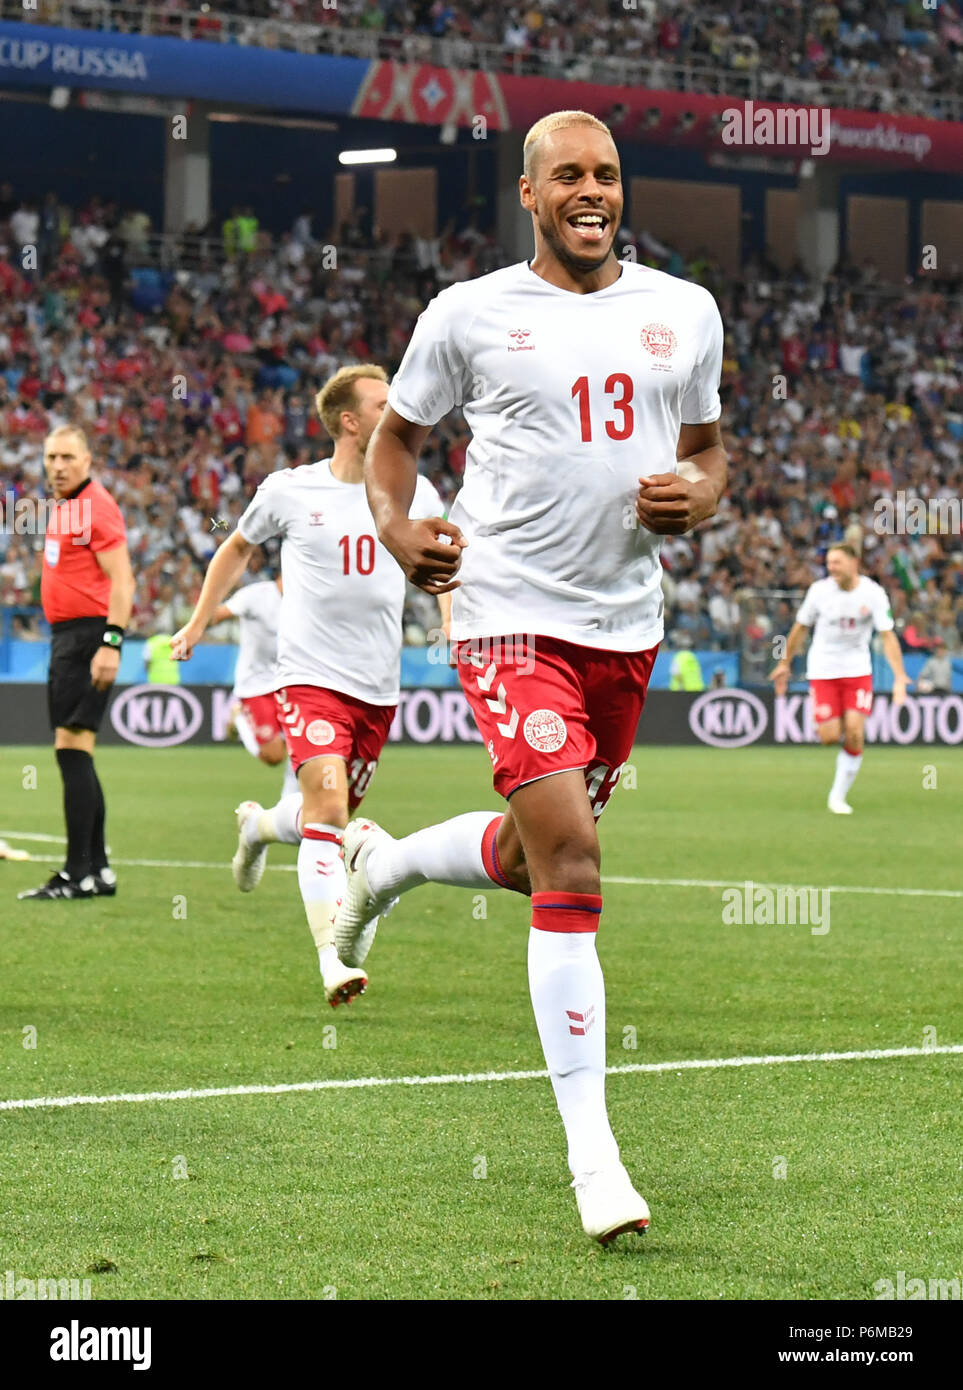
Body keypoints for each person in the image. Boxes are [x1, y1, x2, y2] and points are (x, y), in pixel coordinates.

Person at [333, 109, 727, 1243]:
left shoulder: (683, 311)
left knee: (534, 853)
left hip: (626, 624)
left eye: (606, 173)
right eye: (568, 176)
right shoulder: (469, 314)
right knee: (576, 859)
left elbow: (710, 451)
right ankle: (595, 1160)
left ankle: (388, 867)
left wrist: (701, 495)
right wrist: (400, 529)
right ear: (529, 192)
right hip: (505, 618)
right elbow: (398, 440)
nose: (591, 191)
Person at [171, 365, 449, 1008]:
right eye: (385, 401)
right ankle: (329, 959)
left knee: (328, 816)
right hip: (307, 677)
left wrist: (452, 628)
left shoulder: (417, 493)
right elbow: (235, 548)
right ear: (350, 421)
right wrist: (196, 620)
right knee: (329, 813)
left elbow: (442, 568)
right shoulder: (291, 491)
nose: (401, 407)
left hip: (378, 686)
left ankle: (261, 828)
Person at [18, 427, 135, 900]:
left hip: (87, 637)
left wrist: (111, 642)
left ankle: (76, 873)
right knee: (78, 751)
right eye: (51, 457)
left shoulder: (95, 507)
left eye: (67, 456)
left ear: (87, 460)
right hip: (71, 637)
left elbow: (123, 581)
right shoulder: (64, 508)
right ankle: (98, 870)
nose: (58, 465)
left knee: (70, 750)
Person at [769, 543, 909, 813]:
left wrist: (899, 676)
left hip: (857, 669)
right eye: (829, 562)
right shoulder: (819, 592)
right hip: (823, 669)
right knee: (829, 736)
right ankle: (824, 717)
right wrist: (784, 662)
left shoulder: (874, 593)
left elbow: (888, 636)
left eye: (837, 562)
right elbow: (800, 629)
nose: (830, 567)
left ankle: (838, 796)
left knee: (855, 733)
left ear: (854, 562)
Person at [208, 572, 299, 798]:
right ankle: (239, 718)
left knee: (307, 748)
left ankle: (291, 806)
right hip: (256, 686)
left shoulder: (308, 600)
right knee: (274, 757)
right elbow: (219, 614)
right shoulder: (255, 595)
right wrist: (199, 623)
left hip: (293, 682)